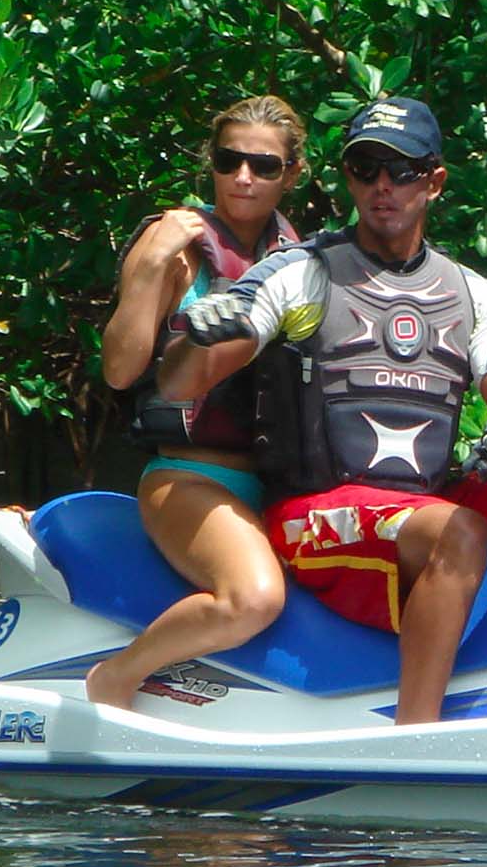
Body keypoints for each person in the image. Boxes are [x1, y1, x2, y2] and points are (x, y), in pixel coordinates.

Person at [157, 96, 487, 724]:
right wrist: (198, 337)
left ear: (435, 180)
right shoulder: (299, 274)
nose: (382, 186)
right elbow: (182, 384)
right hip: (312, 514)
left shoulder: (478, 295)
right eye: (365, 168)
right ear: (347, 177)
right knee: (457, 529)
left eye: (401, 171)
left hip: (422, 502)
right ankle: (415, 735)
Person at [85, 94, 308, 709]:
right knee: (254, 598)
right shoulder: (175, 246)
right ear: (209, 163)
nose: (243, 176)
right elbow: (121, 370)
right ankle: (115, 677)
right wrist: (152, 264)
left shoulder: (304, 260)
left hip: (280, 486)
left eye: (263, 166)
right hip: (187, 478)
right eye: (228, 159)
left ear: (291, 175)